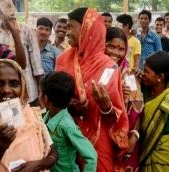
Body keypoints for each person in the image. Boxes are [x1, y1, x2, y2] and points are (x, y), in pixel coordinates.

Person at [55, 7, 129, 172]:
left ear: (86, 29)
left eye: (71, 27)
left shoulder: (109, 67)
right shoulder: (62, 60)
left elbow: (117, 115)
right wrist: (70, 104)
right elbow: (53, 98)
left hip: (98, 138)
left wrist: (105, 106)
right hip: (66, 135)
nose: (67, 32)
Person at [134, 51, 169, 171]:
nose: (144, 73)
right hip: (147, 150)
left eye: (147, 71)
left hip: (167, 156)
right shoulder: (144, 89)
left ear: (160, 77)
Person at [40, 71, 97, 171]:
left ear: (45, 99)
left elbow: (91, 156)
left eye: (39, 92)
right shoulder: (46, 118)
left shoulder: (67, 126)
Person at [105, 27, 144, 171]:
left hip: (126, 140)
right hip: (102, 137)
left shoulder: (128, 75)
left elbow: (137, 108)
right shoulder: (98, 72)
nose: (116, 53)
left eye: (121, 49)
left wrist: (134, 135)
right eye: (111, 46)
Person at [0, 1, 43, 106]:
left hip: (28, 92)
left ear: (12, 8)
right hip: (4, 94)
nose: (2, 10)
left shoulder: (26, 30)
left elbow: (37, 67)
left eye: (6, 6)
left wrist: (41, 94)